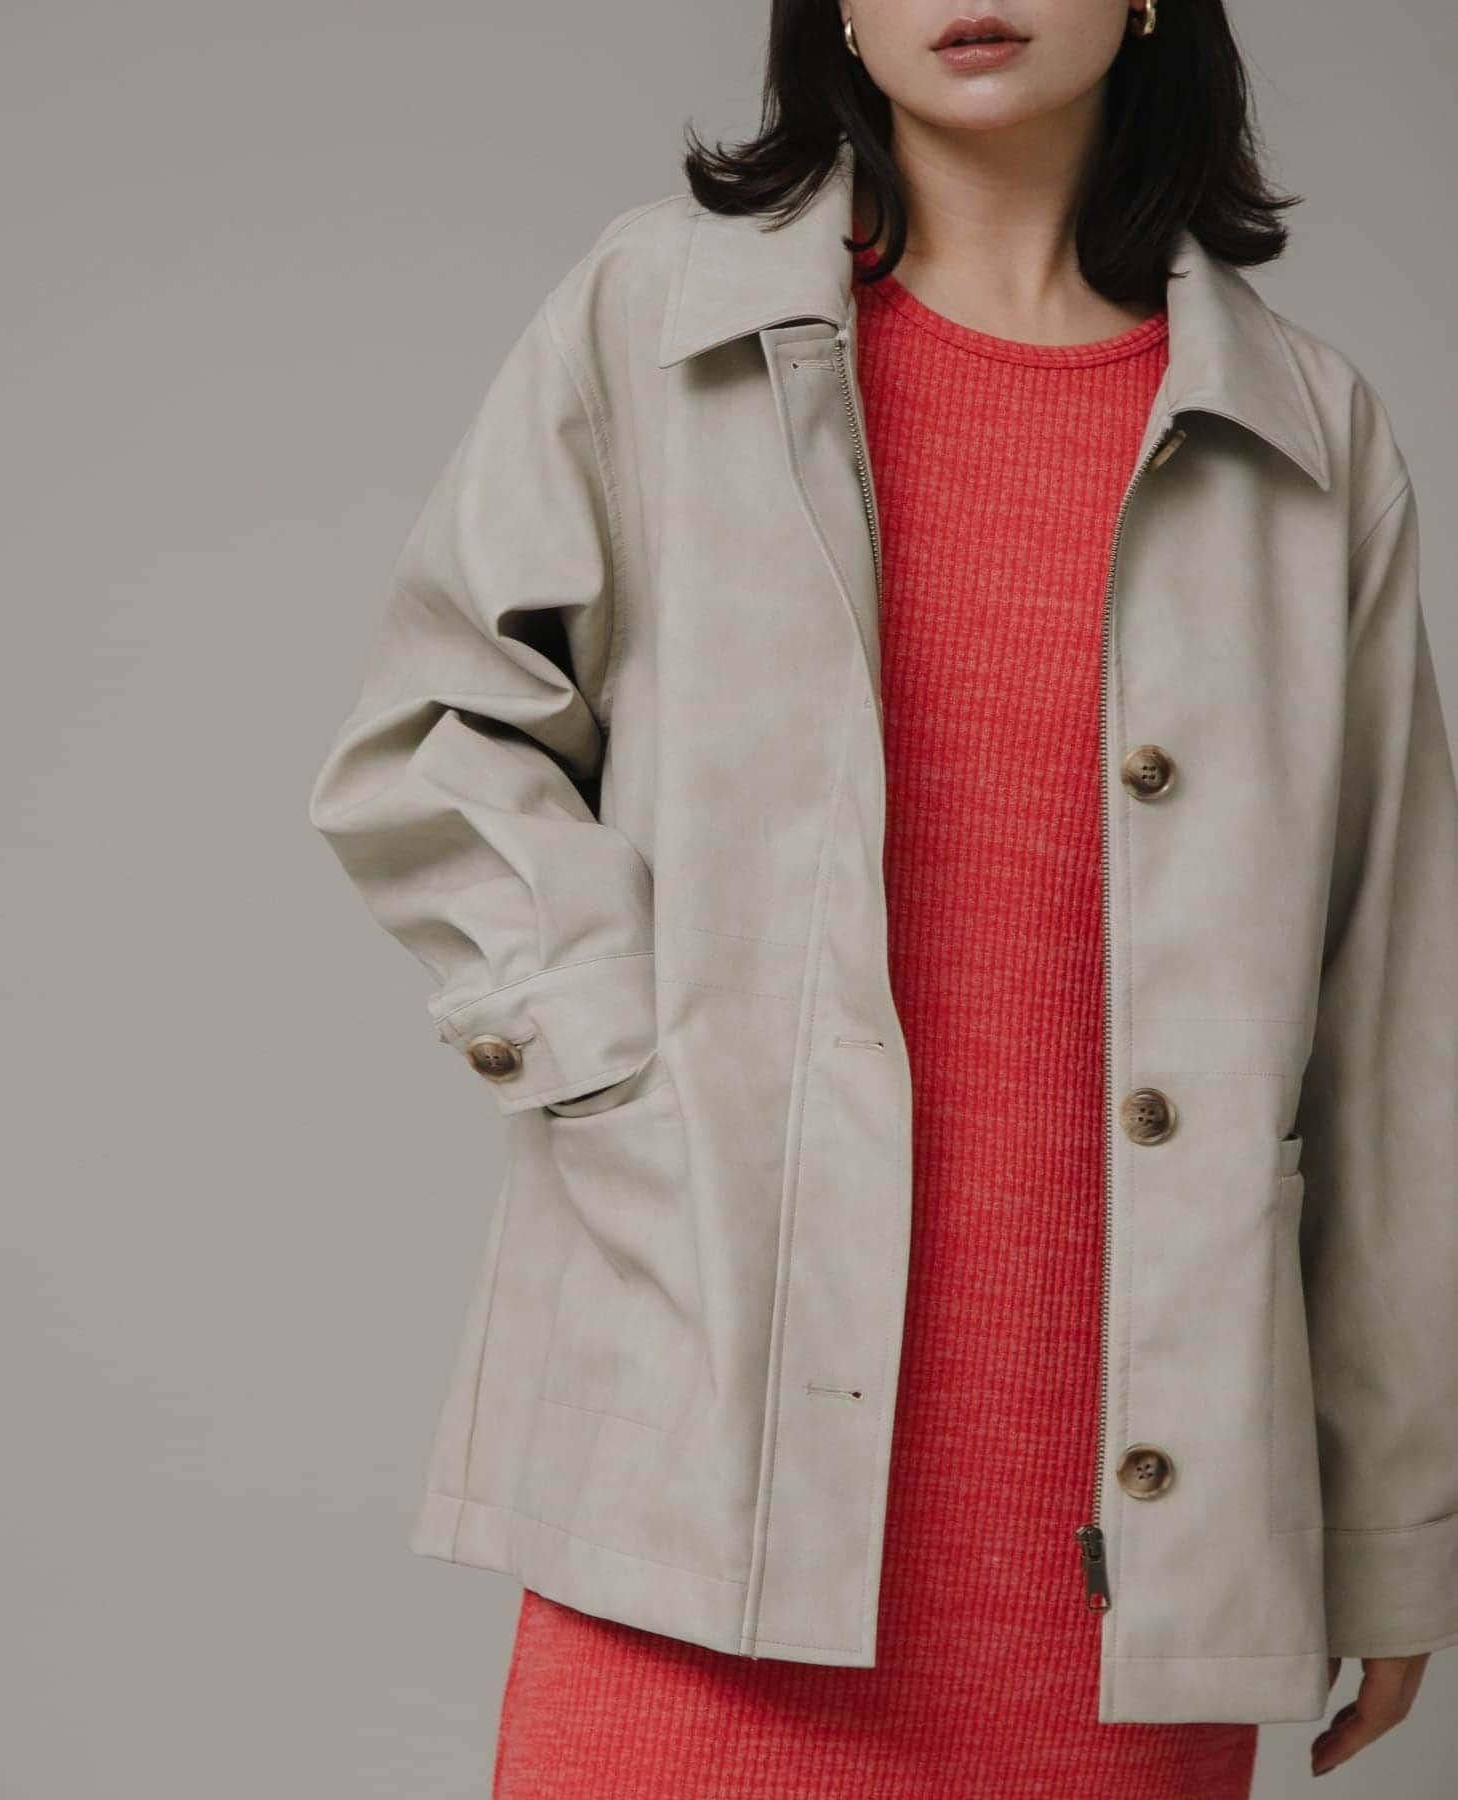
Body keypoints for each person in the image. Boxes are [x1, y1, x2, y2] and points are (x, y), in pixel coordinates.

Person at [308, 2, 1458, 1793]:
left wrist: (1388, 1531)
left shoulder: (1308, 435)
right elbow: (429, 740)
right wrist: (626, 1068)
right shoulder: (655, 316)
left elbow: (1392, 1014)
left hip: (1124, 1576)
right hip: (706, 1503)